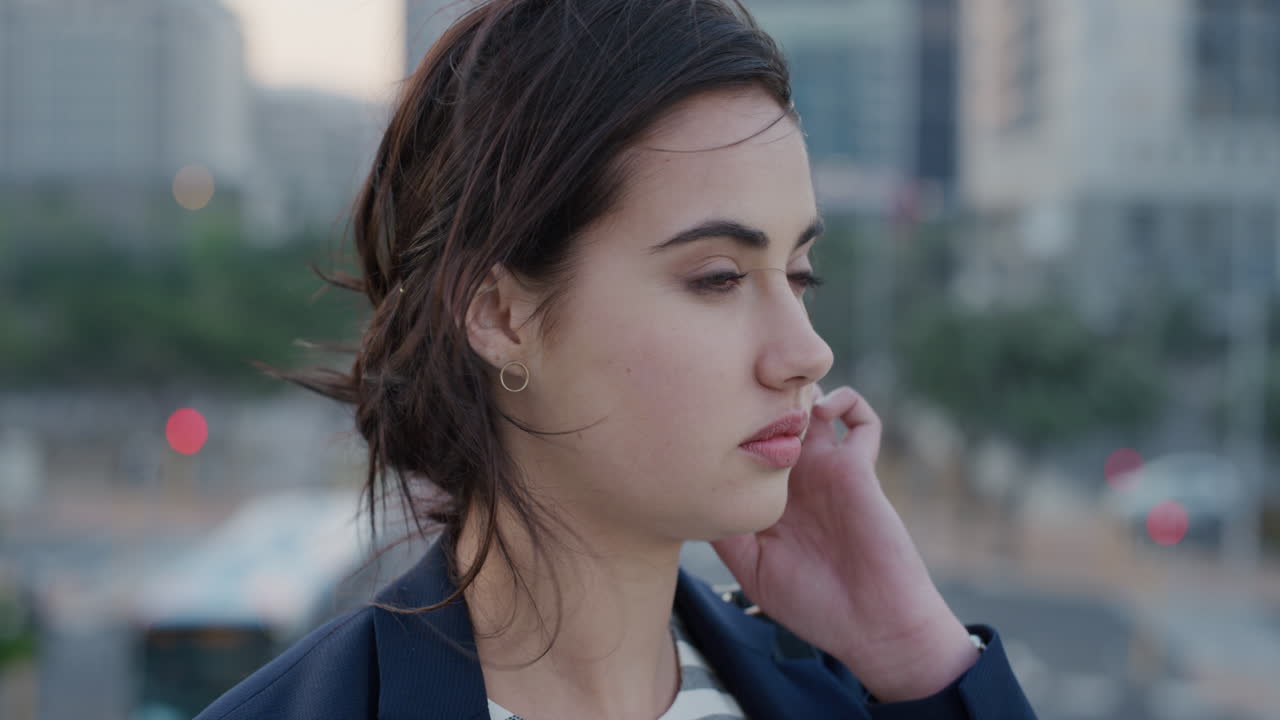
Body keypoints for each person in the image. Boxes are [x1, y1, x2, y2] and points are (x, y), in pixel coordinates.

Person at [197, 1, 1039, 718]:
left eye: (799, 275)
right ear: (499, 316)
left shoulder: (843, 695)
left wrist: (914, 650)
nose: (807, 353)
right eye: (718, 278)